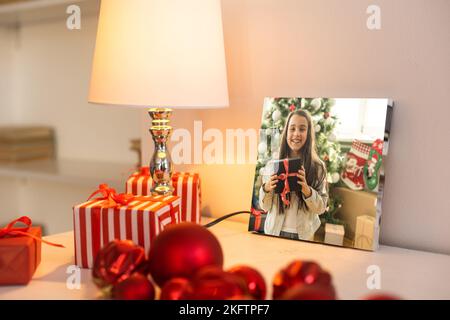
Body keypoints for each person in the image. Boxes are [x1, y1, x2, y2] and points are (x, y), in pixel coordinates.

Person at [259, 110, 328, 241]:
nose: (296, 134)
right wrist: (267, 188)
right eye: (292, 129)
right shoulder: (272, 165)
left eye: (302, 129)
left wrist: (307, 191)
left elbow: (321, 207)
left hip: (303, 234)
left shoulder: (318, 168)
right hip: (274, 232)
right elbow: (265, 207)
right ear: (286, 133)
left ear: (308, 134)